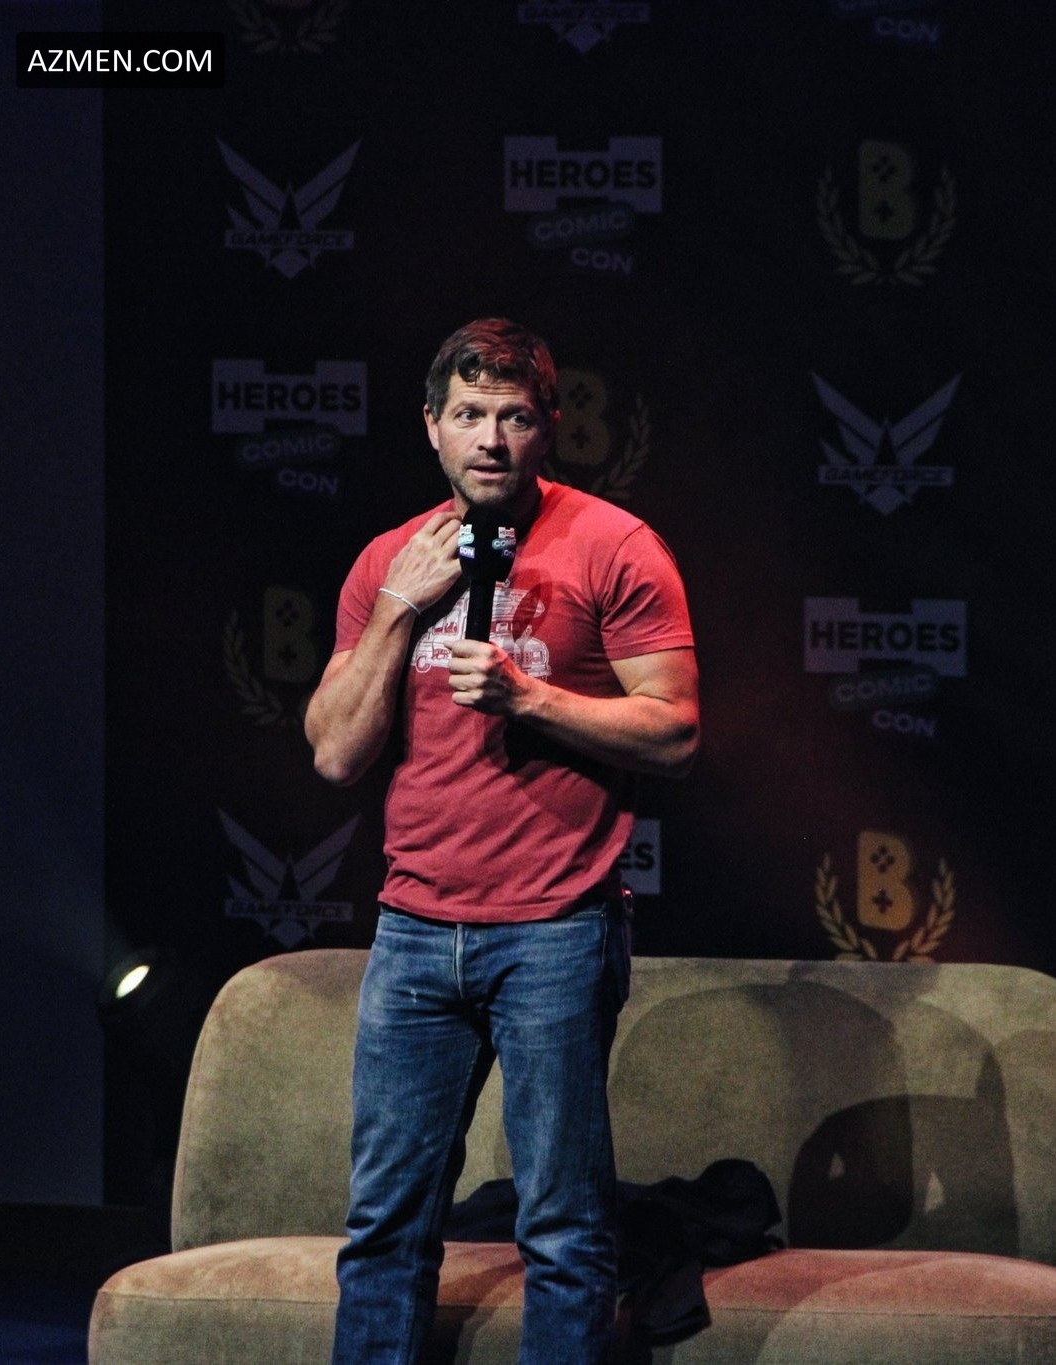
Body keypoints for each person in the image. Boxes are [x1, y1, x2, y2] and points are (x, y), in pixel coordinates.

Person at [304, 318, 699, 1364]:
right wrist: (398, 609)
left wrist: (530, 698)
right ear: (431, 426)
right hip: (412, 931)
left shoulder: (613, 545)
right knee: (383, 1228)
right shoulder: (390, 559)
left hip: (555, 930)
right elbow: (335, 754)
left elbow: (674, 731)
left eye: (514, 417)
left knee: (563, 1229)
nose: (490, 438)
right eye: (469, 414)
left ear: (548, 427)